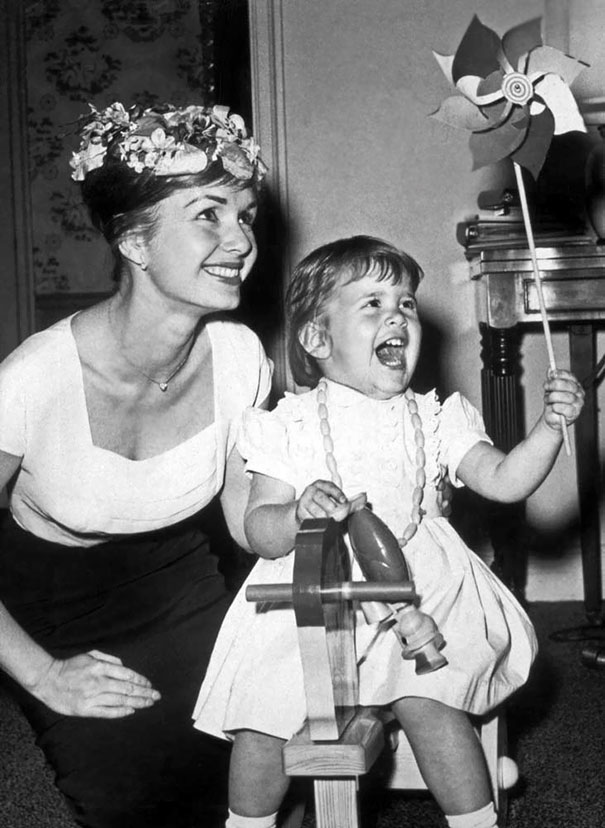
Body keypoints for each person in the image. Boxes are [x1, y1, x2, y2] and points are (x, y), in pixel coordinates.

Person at [192, 235, 585, 828]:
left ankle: (475, 820)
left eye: (405, 303)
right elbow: (260, 531)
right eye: (372, 304)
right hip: (312, 601)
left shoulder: (436, 417)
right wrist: (296, 514)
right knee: (262, 719)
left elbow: (505, 481)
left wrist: (550, 429)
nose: (397, 315)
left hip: (419, 593)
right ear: (317, 339)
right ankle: (247, 823)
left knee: (431, 702)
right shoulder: (288, 425)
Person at [0, 101, 272, 828]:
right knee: (135, 807)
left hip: (181, 582)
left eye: (245, 215)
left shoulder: (241, 356)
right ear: (134, 242)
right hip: (55, 606)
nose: (240, 239)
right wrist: (43, 674)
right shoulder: (33, 378)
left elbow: (245, 519)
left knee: (260, 772)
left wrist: (319, 514)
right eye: (208, 215)